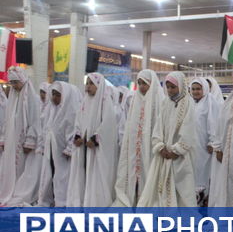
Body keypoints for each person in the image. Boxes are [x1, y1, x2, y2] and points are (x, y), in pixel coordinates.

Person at [138, 72, 197, 207]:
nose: (170, 90)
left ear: (181, 86)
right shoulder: (166, 102)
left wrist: (177, 150)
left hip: (181, 155)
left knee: (182, 187)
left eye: (173, 87)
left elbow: (189, 128)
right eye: (168, 87)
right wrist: (160, 146)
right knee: (162, 185)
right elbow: (158, 126)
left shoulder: (188, 103)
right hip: (164, 154)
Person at [67, 73, 119, 207]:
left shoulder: (105, 103)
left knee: (95, 175)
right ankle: (82, 201)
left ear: (99, 85)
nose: (88, 86)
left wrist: (95, 138)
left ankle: (95, 203)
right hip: (83, 146)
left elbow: (108, 125)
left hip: (96, 148)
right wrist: (78, 135)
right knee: (83, 173)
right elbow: (78, 121)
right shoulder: (84, 102)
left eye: (92, 84)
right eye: (87, 83)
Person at [113, 70, 164, 207]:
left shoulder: (159, 101)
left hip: (151, 146)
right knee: (134, 173)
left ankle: (147, 201)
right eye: (139, 83)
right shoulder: (135, 100)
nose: (141, 87)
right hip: (135, 145)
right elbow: (129, 124)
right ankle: (134, 200)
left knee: (149, 172)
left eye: (144, 83)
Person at [0, 67, 41, 206]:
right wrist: (4, 139)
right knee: (10, 167)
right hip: (12, 139)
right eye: (11, 83)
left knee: (22, 168)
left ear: (22, 81)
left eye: (15, 82)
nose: (13, 86)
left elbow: (34, 121)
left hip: (24, 142)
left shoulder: (32, 98)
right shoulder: (13, 98)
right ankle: (9, 191)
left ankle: (18, 191)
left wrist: (30, 140)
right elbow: (7, 120)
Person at [209, 70, 233, 208]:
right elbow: (219, 125)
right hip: (228, 150)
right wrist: (218, 148)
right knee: (229, 181)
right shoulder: (228, 103)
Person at [38, 81, 81, 207]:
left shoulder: (71, 111)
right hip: (52, 149)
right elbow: (47, 128)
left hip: (64, 153)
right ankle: (51, 199)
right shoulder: (52, 110)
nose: (54, 98)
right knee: (51, 174)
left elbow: (73, 131)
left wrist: (69, 148)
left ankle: (63, 201)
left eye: (58, 95)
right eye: (53, 94)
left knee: (63, 177)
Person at [189, 77, 218, 202]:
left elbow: (214, 121)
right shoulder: (190, 102)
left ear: (205, 89)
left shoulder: (210, 101)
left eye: (198, 89)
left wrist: (212, 141)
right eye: (193, 89)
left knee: (205, 170)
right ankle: (194, 198)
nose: (195, 92)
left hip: (205, 145)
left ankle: (205, 198)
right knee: (193, 169)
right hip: (192, 144)